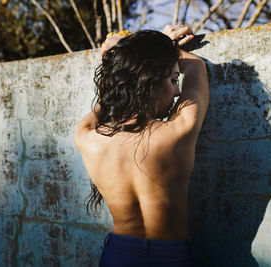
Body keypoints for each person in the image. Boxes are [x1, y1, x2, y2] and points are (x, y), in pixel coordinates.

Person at [74, 24, 209, 266]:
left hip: (118, 255)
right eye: (173, 79)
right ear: (150, 79)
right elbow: (197, 66)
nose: (177, 90)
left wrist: (133, 56)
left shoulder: (87, 137)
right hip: (171, 258)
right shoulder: (180, 131)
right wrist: (163, 49)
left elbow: (108, 97)